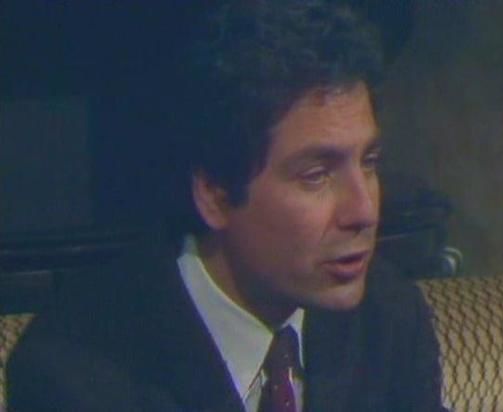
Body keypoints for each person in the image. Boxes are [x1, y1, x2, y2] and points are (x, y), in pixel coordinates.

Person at [8, 1, 446, 410]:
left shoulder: (388, 319)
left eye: (369, 162)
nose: (364, 211)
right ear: (215, 195)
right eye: (316, 176)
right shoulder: (75, 373)